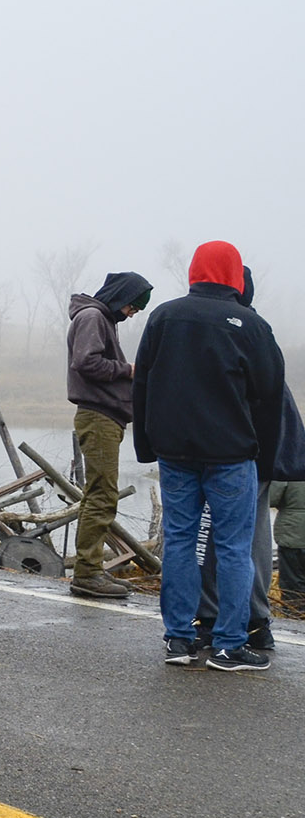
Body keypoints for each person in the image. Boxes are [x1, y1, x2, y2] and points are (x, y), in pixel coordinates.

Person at [133, 241, 285, 672]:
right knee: (234, 548)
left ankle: (179, 640)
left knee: (180, 542)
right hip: (232, 455)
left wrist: (146, 445)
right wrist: (266, 461)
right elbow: (270, 397)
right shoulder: (251, 325)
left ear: (195, 271)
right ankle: (228, 645)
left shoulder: (164, 316)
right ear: (235, 275)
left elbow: (142, 382)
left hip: (175, 454)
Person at [65, 270, 153, 598]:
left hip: (106, 417)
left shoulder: (102, 319)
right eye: (133, 307)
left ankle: (91, 570)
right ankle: (87, 573)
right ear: (121, 298)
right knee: (101, 495)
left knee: (99, 494)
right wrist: (128, 370)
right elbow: (86, 363)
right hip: (98, 416)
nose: (132, 314)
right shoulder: (92, 317)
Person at [273, 480, 305, 608]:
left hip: (293, 534)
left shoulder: (289, 466)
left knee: (292, 583)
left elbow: (271, 498)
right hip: (292, 535)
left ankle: (294, 614)